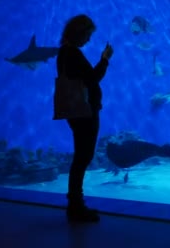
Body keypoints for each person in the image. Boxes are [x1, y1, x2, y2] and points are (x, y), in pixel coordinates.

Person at [56, 14, 114, 223]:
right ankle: (76, 206)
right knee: (83, 157)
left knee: (82, 156)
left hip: (76, 111)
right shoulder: (72, 53)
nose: (88, 40)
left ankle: (75, 204)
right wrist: (105, 59)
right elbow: (93, 78)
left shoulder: (64, 52)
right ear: (79, 33)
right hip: (84, 112)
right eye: (87, 35)